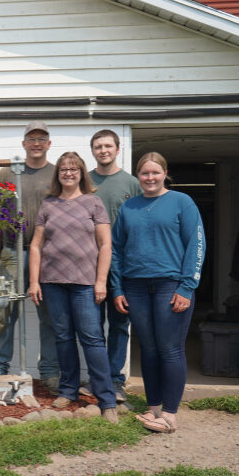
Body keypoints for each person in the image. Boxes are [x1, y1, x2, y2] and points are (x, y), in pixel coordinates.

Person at [110, 152, 205, 433]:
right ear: (137, 177)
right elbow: (116, 250)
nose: (149, 178)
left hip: (170, 285)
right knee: (149, 350)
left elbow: (196, 246)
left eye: (155, 173)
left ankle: (170, 415)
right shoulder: (129, 208)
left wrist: (187, 287)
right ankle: (153, 410)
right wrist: (116, 287)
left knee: (170, 349)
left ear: (165, 173)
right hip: (135, 287)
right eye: (144, 173)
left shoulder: (181, 203)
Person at [27, 152, 119, 422]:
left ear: (81, 172)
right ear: (58, 174)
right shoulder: (48, 205)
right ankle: (68, 390)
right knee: (63, 338)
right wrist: (34, 281)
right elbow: (35, 245)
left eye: (73, 169)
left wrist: (101, 280)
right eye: (63, 169)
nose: (68, 173)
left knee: (92, 339)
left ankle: (107, 399)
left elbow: (105, 244)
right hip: (52, 282)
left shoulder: (94, 202)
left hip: (85, 285)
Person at [0, 121, 59, 392]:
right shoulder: (7, 173)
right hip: (11, 254)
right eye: (32, 138)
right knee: (6, 312)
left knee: (50, 314)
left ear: (49, 144)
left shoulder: (56, 174)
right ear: (24, 144)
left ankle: (50, 372)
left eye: (42, 138)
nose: (37, 143)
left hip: (49, 256)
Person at [88, 129, 142, 403]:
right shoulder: (84, 181)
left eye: (108, 146)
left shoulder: (131, 184)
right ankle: (97, 380)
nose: (103, 150)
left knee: (120, 323)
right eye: (98, 146)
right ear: (93, 151)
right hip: (89, 263)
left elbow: (140, 223)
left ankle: (115, 380)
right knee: (93, 326)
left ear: (117, 149)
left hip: (122, 264)